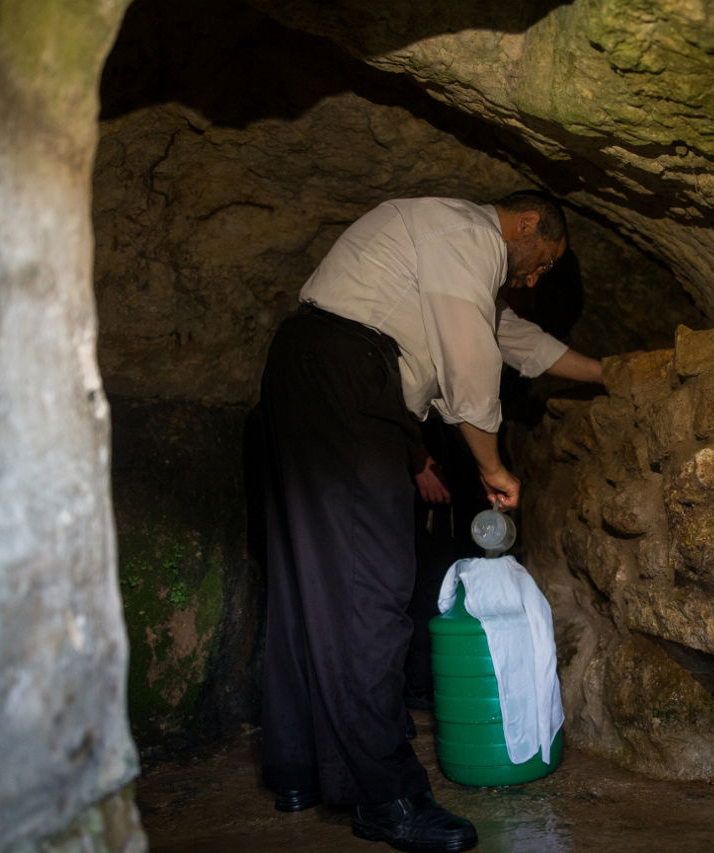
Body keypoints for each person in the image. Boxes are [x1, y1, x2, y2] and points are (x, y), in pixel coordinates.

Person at [256, 191, 602, 853]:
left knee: (313, 585)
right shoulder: (466, 233)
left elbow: (519, 343)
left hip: (309, 371)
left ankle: (298, 766)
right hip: (349, 378)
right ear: (526, 225)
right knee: (373, 587)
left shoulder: (443, 256)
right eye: (541, 261)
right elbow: (472, 361)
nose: (531, 279)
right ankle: (387, 797)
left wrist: (607, 371)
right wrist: (492, 465)